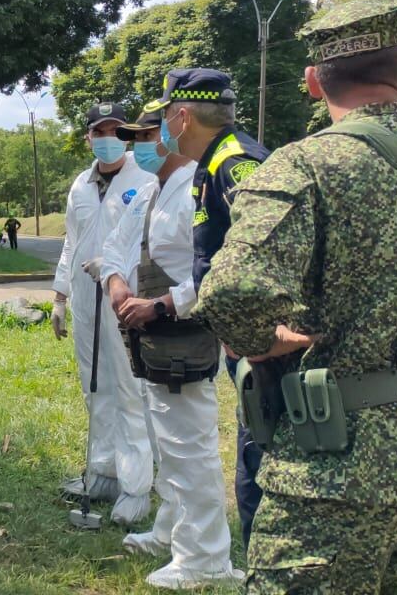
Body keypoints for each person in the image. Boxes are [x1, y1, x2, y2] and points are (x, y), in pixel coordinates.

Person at [196, 0, 397, 592]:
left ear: (314, 82)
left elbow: (232, 291)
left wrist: (262, 341)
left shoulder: (303, 166)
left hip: (334, 466)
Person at [100, 109, 242, 590]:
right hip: (148, 336)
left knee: (190, 448)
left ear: (170, 133)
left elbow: (217, 272)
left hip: (183, 334)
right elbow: (114, 246)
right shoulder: (149, 191)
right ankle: (172, 531)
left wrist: (161, 304)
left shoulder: (198, 190)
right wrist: (116, 283)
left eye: (146, 135)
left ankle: (206, 557)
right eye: (135, 137)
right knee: (167, 443)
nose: (139, 145)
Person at [149, 67, 270, 548]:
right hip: (242, 337)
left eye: (164, 117)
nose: (161, 129)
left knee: (262, 453)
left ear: (182, 117)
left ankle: (256, 554)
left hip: (264, 342)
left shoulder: (237, 164)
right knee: (251, 445)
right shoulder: (211, 163)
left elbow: (265, 255)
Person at [50, 102, 156, 526]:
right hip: (84, 297)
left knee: (129, 388)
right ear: (88, 137)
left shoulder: (145, 177)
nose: (108, 138)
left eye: (116, 130)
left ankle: (136, 486)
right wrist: (59, 296)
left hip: (125, 296)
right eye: (100, 131)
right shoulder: (80, 183)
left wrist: (117, 271)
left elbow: (151, 241)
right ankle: (103, 471)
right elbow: (71, 241)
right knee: (94, 386)